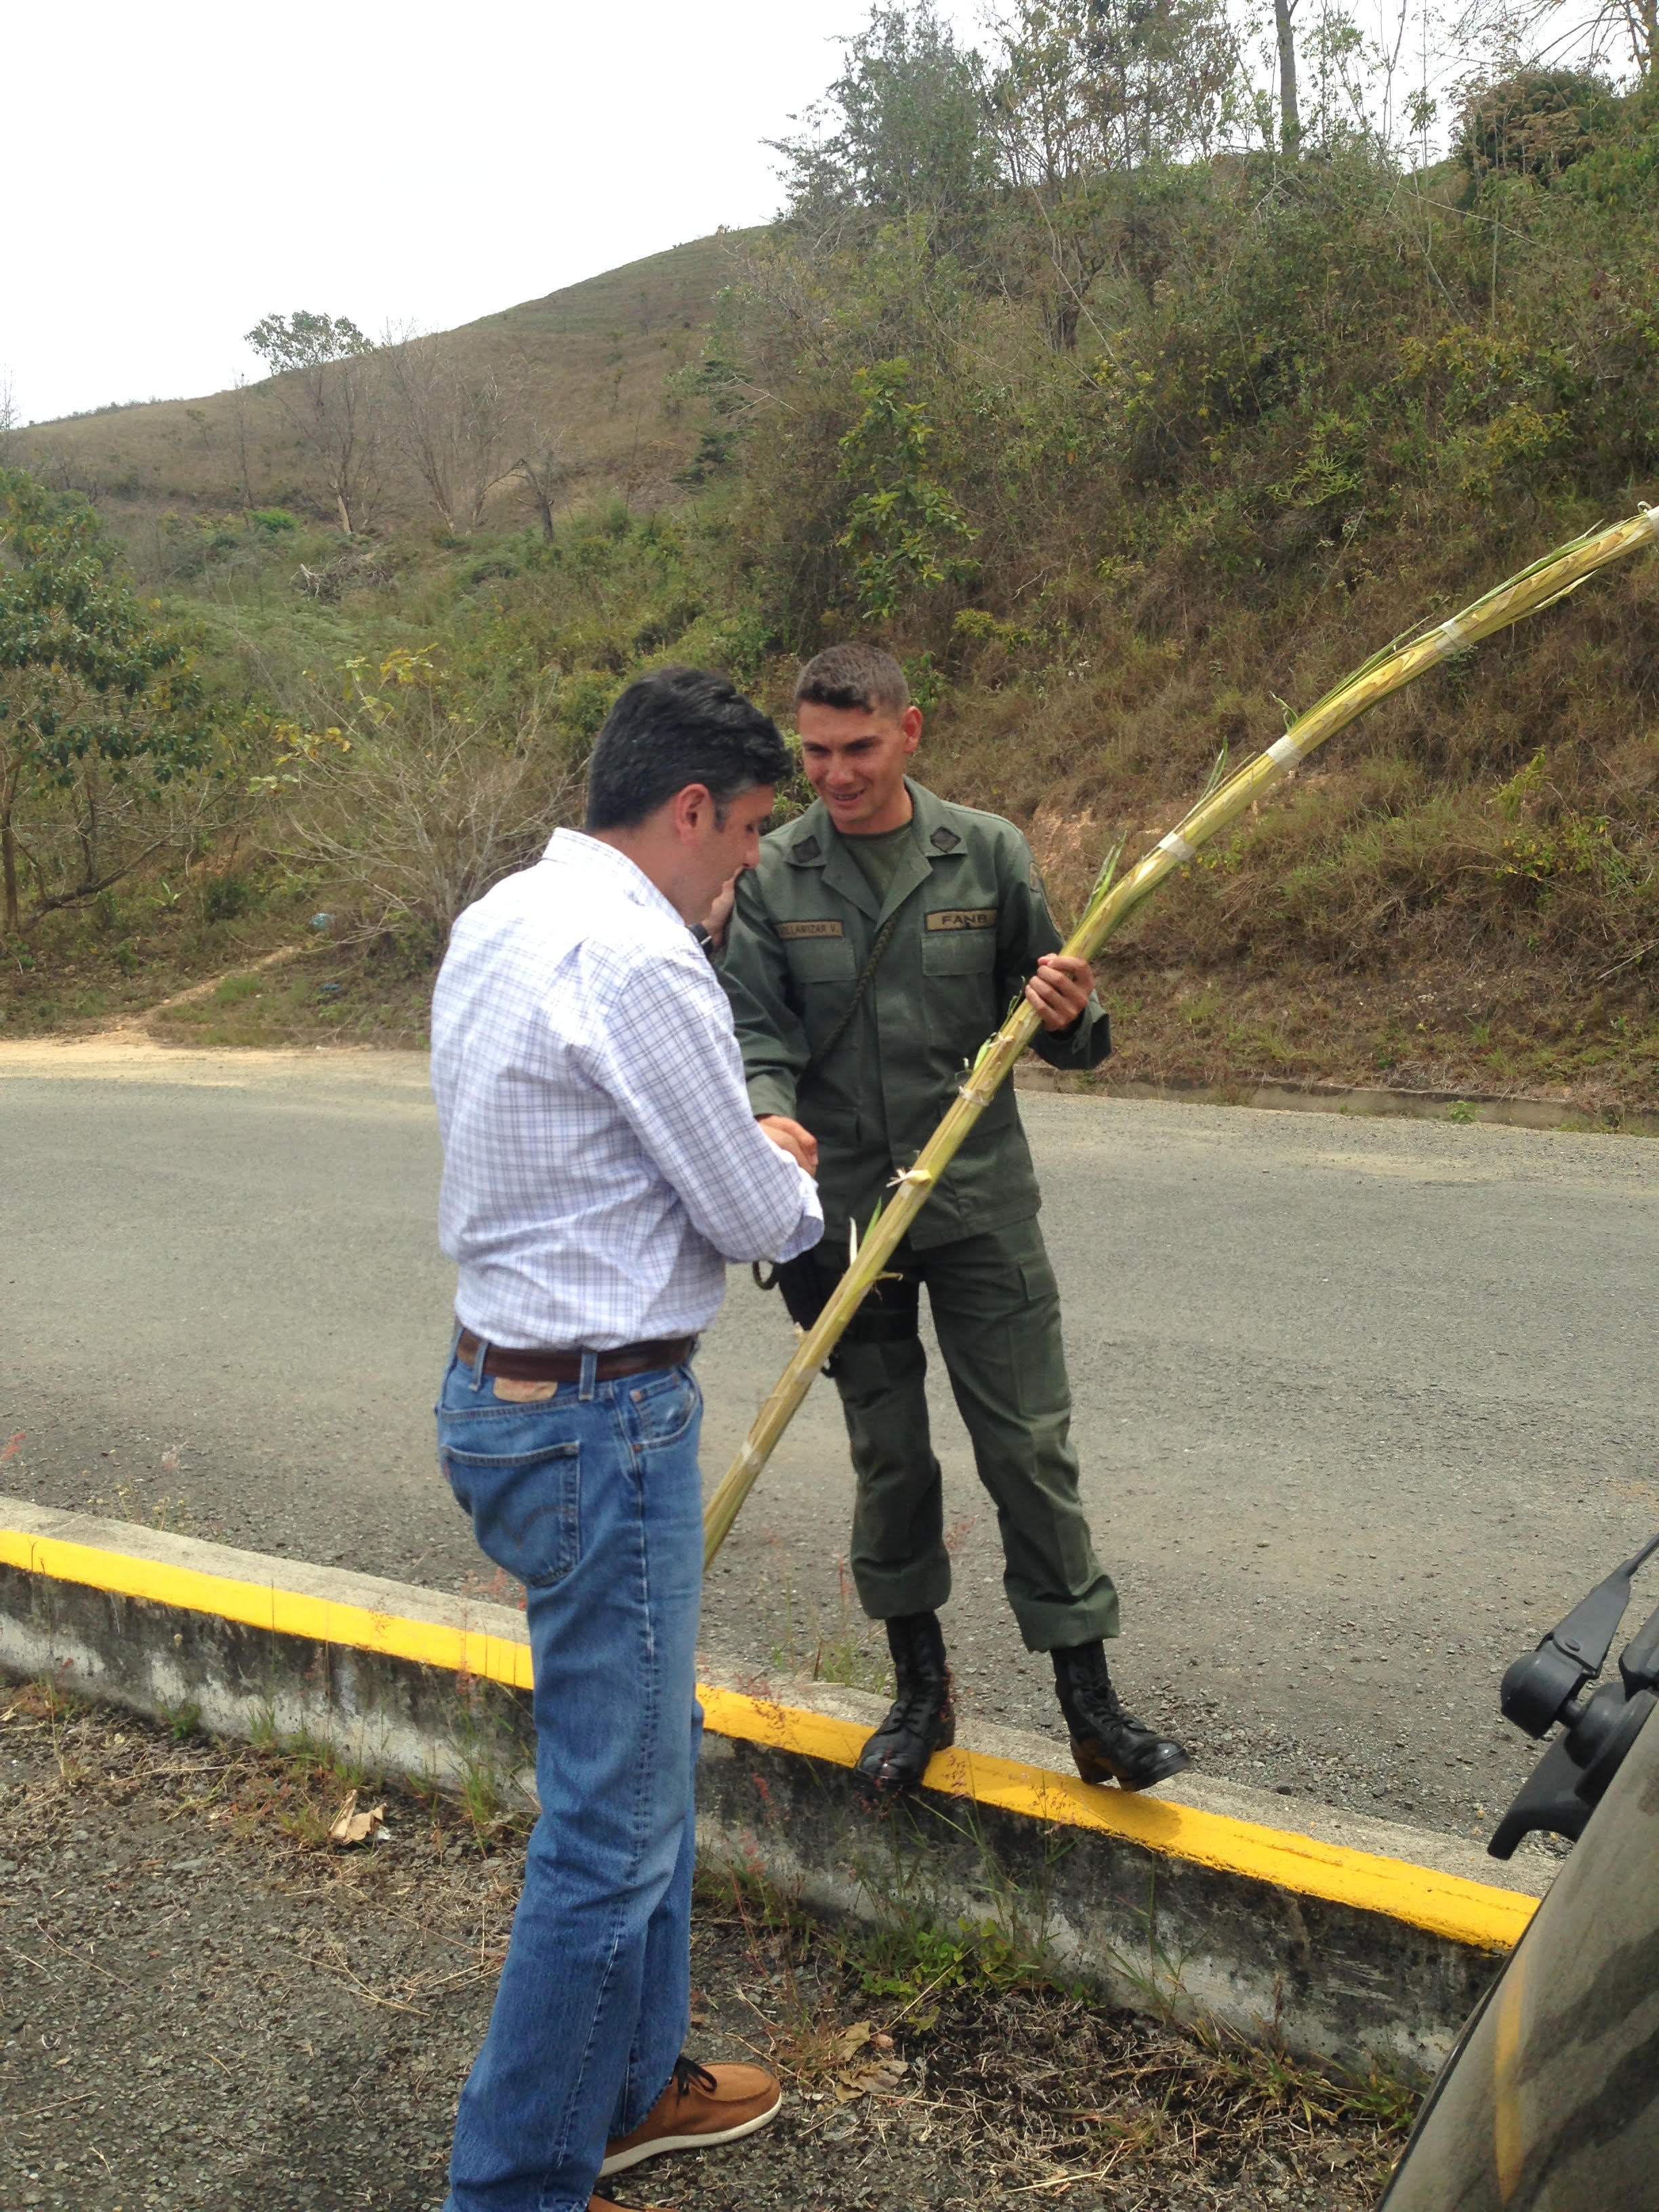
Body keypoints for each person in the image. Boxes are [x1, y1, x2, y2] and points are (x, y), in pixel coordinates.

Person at [430, 666, 823, 2212]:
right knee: (610, 1829)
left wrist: (725, 1144)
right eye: (741, 842)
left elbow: (588, 1153)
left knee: (641, 1767)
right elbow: (745, 1210)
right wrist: (779, 1159)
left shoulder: (505, 916)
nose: (743, 872)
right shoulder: (642, 953)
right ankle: (518, 2181)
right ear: (688, 809)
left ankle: (637, 2083)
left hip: (508, 1394)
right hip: (604, 1421)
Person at [718, 641, 1189, 1800]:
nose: (834, 772)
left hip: (978, 1209)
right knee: (889, 1459)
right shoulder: (775, 877)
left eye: (859, 748)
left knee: (1029, 1449)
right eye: (815, 751)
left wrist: (1075, 1013)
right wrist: (769, 1119)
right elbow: (757, 1037)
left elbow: (1062, 1022)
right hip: (842, 1225)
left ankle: (1092, 1708)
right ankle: (920, 1696)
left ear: (910, 730)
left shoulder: (985, 851)